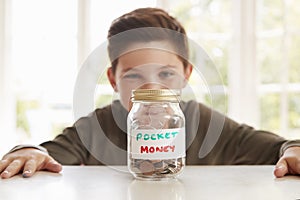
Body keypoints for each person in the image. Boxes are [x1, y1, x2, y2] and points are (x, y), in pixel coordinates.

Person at [1, 7, 300, 179]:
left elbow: (280, 147)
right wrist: (27, 151)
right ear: (113, 80)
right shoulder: (98, 127)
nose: (152, 89)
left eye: (166, 74)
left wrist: (292, 150)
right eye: (133, 76)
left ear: (186, 76)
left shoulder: (205, 123)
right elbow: (46, 154)